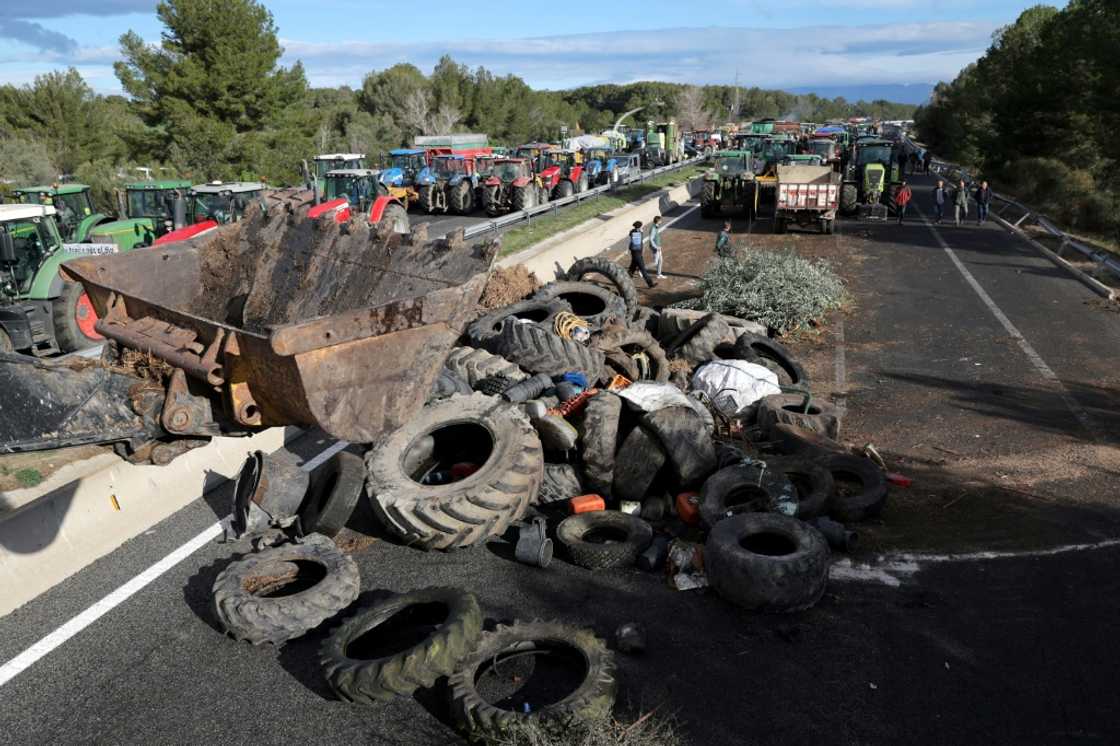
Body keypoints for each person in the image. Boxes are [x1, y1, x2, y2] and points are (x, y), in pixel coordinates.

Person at [627, 220, 656, 288]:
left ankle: (625, 281)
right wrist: (639, 232)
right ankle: (650, 284)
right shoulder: (637, 233)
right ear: (639, 227)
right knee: (643, 269)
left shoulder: (633, 232)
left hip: (635, 254)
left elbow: (631, 233)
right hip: (637, 254)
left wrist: (639, 231)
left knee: (632, 269)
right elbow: (637, 244)